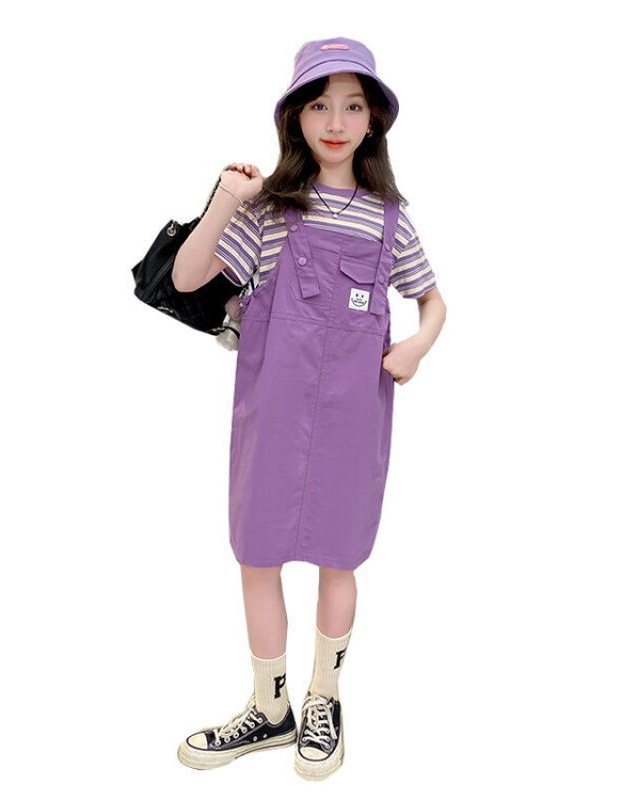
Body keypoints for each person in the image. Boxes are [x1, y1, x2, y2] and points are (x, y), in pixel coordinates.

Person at [172, 36, 447, 779]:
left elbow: (434, 301)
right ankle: (270, 708)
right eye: (320, 105)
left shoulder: (390, 220)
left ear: (373, 121)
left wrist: (416, 346)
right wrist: (226, 200)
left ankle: (325, 698)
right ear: (295, 116)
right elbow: (190, 276)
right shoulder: (269, 211)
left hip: (354, 419)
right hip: (272, 416)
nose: (335, 121)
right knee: (256, 555)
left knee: (339, 557)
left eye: (352, 107)